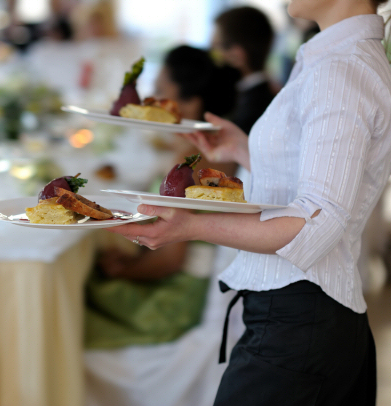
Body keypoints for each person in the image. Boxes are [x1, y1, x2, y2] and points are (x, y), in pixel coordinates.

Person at [107, 0, 391, 404]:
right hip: (309, 320)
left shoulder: (341, 69)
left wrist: (190, 226)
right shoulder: (335, 57)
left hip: (298, 326)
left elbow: (317, 221)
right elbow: (324, 180)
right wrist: (245, 150)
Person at [84, 46, 245, 406]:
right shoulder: (211, 151)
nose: (151, 99)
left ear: (187, 103)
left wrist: (124, 270)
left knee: (75, 306)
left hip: (179, 297)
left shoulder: (193, 163)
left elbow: (172, 260)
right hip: (188, 282)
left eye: (161, 91)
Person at [211, 6, 276, 134]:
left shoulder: (251, 107)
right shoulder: (265, 94)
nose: (212, 53)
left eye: (216, 46)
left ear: (237, 55)